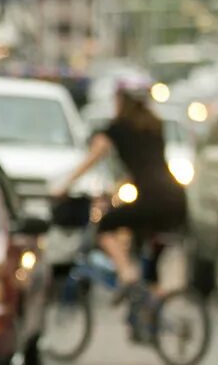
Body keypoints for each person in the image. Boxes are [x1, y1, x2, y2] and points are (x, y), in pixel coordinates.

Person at [51, 78, 187, 294]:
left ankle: (126, 273)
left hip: (150, 200)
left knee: (104, 227)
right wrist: (116, 190)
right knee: (148, 256)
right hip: (176, 198)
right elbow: (146, 166)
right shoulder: (155, 125)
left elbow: (91, 160)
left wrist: (64, 185)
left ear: (121, 101)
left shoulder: (118, 129)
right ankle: (154, 309)